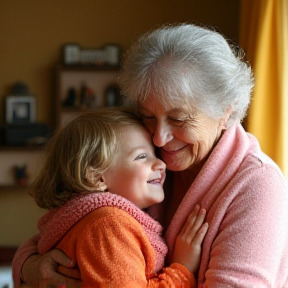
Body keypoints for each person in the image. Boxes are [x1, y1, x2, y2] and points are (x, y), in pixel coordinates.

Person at [13, 23, 288, 287]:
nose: (160, 137)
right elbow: (69, 220)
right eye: (148, 116)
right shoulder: (142, 157)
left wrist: (180, 270)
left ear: (226, 111)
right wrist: (31, 267)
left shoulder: (258, 186)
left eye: (179, 119)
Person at [14, 107, 208, 288]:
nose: (160, 164)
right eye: (141, 157)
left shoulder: (82, 218)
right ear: (97, 177)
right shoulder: (108, 226)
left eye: (154, 154)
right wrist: (182, 269)